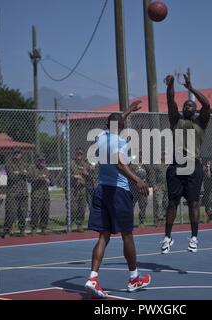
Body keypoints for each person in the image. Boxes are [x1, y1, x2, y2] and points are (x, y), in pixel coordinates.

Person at [85, 100, 151, 299]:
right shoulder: (120, 142)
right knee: (127, 235)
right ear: (121, 127)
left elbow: (115, 121)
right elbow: (119, 164)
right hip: (117, 192)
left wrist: (129, 110)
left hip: (100, 190)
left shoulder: (100, 136)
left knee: (103, 236)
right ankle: (134, 278)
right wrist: (137, 179)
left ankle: (93, 277)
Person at [161, 74, 210, 254]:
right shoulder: (176, 120)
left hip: (193, 165)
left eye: (190, 105)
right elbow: (170, 100)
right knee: (172, 203)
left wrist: (191, 88)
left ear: (195, 110)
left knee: (193, 203)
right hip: (176, 165)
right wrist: (171, 84)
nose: (187, 106)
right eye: (185, 105)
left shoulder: (201, 123)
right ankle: (167, 237)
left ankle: (194, 237)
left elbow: (207, 104)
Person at [3, 148, 29, 238]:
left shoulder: (24, 164)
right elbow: (11, 176)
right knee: (10, 212)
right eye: (15, 153)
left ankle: (22, 230)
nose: (17, 154)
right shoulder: (9, 164)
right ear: (13, 154)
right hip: (12, 193)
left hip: (23, 192)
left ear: (21, 154)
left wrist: (18, 173)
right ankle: (7, 231)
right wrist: (23, 173)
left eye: (19, 153)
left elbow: (28, 176)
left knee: (23, 213)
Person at [28, 154, 51, 235]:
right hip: (36, 194)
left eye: (43, 160)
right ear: (37, 161)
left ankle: (43, 228)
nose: (42, 162)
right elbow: (29, 179)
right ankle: (34, 228)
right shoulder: (32, 169)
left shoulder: (46, 170)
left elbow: (52, 182)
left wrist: (49, 181)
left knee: (45, 211)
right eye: (40, 160)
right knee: (36, 212)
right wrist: (39, 178)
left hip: (45, 194)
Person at [70, 148, 89, 232]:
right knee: (73, 208)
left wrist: (86, 173)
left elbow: (89, 175)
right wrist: (74, 177)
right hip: (73, 188)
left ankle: (79, 225)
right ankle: (69, 223)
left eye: (80, 154)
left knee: (82, 207)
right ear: (75, 154)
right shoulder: (71, 163)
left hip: (82, 188)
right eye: (78, 154)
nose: (79, 156)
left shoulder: (85, 164)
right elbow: (65, 175)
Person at [129, 153, 149, 226]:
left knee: (143, 204)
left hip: (143, 188)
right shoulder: (132, 165)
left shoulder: (145, 165)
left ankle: (142, 221)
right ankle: (129, 221)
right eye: (139, 155)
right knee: (131, 205)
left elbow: (150, 174)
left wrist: (148, 185)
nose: (140, 157)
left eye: (141, 155)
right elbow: (129, 174)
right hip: (134, 188)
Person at [151, 152, 168, 227]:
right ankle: (158, 219)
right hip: (159, 186)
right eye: (163, 155)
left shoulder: (168, 165)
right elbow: (153, 176)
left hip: (167, 186)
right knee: (159, 203)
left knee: (166, 203)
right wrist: (154, 186)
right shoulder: (157, 165)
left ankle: (164, 219)